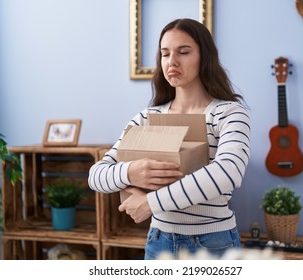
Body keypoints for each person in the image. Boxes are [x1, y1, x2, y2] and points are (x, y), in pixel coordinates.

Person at [88, 18, 250, 260]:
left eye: (183, 52)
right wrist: (132, 172)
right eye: (165, 54)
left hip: (213, 245)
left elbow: (228, 173)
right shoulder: (147, 118)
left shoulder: (228, 113)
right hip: (159, 242)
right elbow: (96, 176)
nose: (172, 61)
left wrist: (152, 203)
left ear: (204, 57)